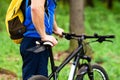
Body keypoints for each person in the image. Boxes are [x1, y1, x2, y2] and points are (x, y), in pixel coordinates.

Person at [20, 0, 64, 80]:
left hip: (37, 38)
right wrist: (43, 35)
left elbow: (47, 9)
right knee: (36, 77)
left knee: (41, 76)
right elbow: (36, 8)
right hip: (35, 40)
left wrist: (55, 28)